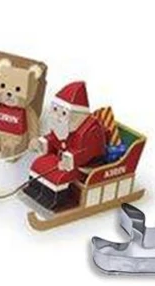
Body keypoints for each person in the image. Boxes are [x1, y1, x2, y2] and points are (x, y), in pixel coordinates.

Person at [24, 81, 106, 211]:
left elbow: (86, 152)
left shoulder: (90, 130)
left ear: (76, 116)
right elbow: (53, 138)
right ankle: (36, 190)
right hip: (63, 159)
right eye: (55, 110)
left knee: (59, 175)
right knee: (39, 164)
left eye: (63, 113)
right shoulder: (63, 126)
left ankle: (55, 201)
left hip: (85, 165)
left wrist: (69, 159)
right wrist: (40, 143)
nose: (57, 117)